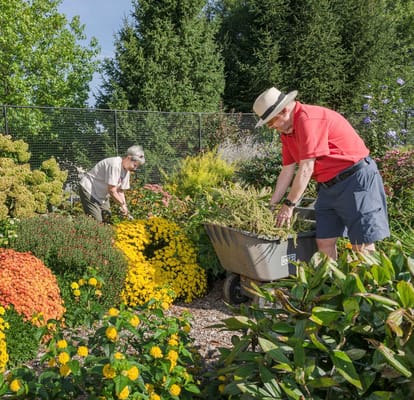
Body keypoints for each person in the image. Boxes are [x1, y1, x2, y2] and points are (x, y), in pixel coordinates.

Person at [253, 87, 390, 259]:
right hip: (328, 186)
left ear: (284, 110)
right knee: (324, 241)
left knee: (362, 243)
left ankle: (369, 285)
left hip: (355, 180)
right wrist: (271, 206)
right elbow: (287, 170)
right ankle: (332, 283)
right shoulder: (286, 133)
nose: (271, 127)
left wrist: (289, 205)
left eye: (272, 122)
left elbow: (306, 169)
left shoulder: (308, 120)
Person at [78, 145, 145, 222]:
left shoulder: (126, 171)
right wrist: (121, 204)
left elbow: (120, 190)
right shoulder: (115, 165)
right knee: (97, 221)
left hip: (101, 195)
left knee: (108, 219)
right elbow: (112, 190)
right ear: (129, 158)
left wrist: (124, 207)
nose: (135, 168)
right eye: (135, 165)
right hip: (89, 189)